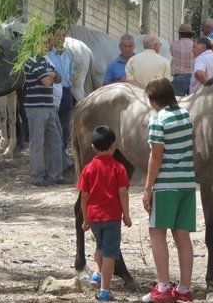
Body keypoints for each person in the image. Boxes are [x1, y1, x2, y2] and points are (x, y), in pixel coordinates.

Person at [141, 77, 196, 303]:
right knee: (182, 235)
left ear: (154, 99)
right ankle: (184, 289)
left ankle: (163, 287)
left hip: (166, 184)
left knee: (157, 232)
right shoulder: (185, 115)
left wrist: (147, 187)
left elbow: (156, 155)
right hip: (187, 182)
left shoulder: (158, 119)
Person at [78, 125, 132, 301]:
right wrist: (126, 214)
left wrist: (86, 218)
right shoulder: (119, 168)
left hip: (94, 218)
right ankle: (104, 290)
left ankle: (96, 273)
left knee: (100, 245)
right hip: (112, 218)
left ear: (93, 146)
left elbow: (84, 196)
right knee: (110, 253)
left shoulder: (88, 169)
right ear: (114, 145)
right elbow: (123, 193)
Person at [24, 36, 64, 186]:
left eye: (49, 42)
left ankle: (54, 175)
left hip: (48, 106)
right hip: (36, 107)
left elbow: (59, 78)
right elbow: (48, 82)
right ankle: (37, 176)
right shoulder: (32, 61)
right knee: (37, 142)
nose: (49, 45)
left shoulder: (45, 61)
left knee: (55, 140)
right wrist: (52, 75)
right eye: (45, 42)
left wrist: (52, 76)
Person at [46, 25, 76, 170]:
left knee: (65, 126)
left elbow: (70, 72)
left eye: (63, 35)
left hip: (66, 92)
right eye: (58, 35)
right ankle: (53, 161)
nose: (61, 38)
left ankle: (63, 158)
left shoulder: (68, 54)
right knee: (53, 127)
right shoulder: (48, 55)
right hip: (52, 94)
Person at [170, 24, 195, 96]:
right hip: (192, 77)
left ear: (180, 34)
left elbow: (172, 53)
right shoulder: (194, 45)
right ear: (190, 34)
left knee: (178, 102)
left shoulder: (174, 45)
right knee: (191, 101)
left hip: (178, 78)